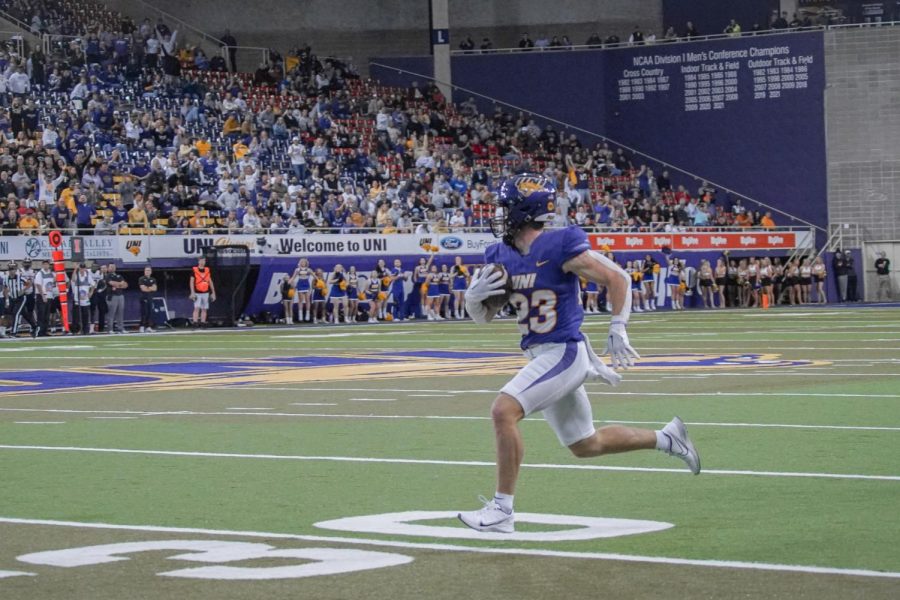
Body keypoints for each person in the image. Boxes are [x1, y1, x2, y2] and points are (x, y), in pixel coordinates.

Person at [457, 174, 700, 533]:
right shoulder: (500, 255)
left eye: (505, 207)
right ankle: (668, 437)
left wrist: (618, 326)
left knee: (503, 411)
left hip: (565, 353)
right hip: (541, 355)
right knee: (586, 444)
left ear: (523, 210)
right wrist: (472, 300)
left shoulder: (559, 245)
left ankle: (502, 511)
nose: (499, 214)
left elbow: (618, 279)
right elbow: (483, 318)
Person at [190, 256, 216, 327]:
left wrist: (213, 292)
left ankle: (203, 322)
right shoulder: (194, 270)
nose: (203, 262)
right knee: (197, 308)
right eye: (201, 261)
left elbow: (210, 281)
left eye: (204, 261)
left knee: (204, 308)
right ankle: (195, 322)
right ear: (198, 261)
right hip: (197, 292)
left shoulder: (207, 270)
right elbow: (191, 282)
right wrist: (192, 292)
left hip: (206, 292)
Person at [71, 263, 94, 335]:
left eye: (83, 268)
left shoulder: (88, 276)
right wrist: (75, 269)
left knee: (85, 316)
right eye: (81, 268)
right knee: (76, 316)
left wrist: (91, 293)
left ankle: (85, 331)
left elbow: (93, 285)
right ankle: (75, 330)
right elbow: (73, 279)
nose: (82, 269)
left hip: (85, 300)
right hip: (77, 300)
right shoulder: (76, 275)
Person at [105, 263, 128, 334]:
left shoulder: (119, 275)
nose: (112, 268)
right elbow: (111, 283)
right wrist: (119, 284)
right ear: (108, 268)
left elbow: (125, 285)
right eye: (111, 267)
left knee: (120, 313)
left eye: (114, 267)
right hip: (112, 296)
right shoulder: (107, 275)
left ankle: (121, 328)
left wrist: (118, 285)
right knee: (111, 313)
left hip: (120, 295)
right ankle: (110, 329)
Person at [292, 258, 312, 322]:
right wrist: (290, 282)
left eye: (304, 262)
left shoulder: (309, 269)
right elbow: (293, 277)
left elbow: (313, 276)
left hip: (307, 285)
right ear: (300, 263)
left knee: (307, 300)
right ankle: (300, 315)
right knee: (300, 300)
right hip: (300, 284)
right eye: (302, 262)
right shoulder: (297, 269)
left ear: (306, 263)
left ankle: (307, 315)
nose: (303, 263)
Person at [139, 266, 158, 332]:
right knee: (144, 312)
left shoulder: (153, 279)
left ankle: (148, 326)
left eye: (149, 270)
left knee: (150, 312)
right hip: (144, 297)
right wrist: (150, 287)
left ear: (151, 272)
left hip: (150, 297)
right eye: (146, 270)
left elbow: (155, 288)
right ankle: (141, 326)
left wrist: (147, 287)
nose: (147, 271)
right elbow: (143, 289)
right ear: (144, 271)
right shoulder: (141, 278)